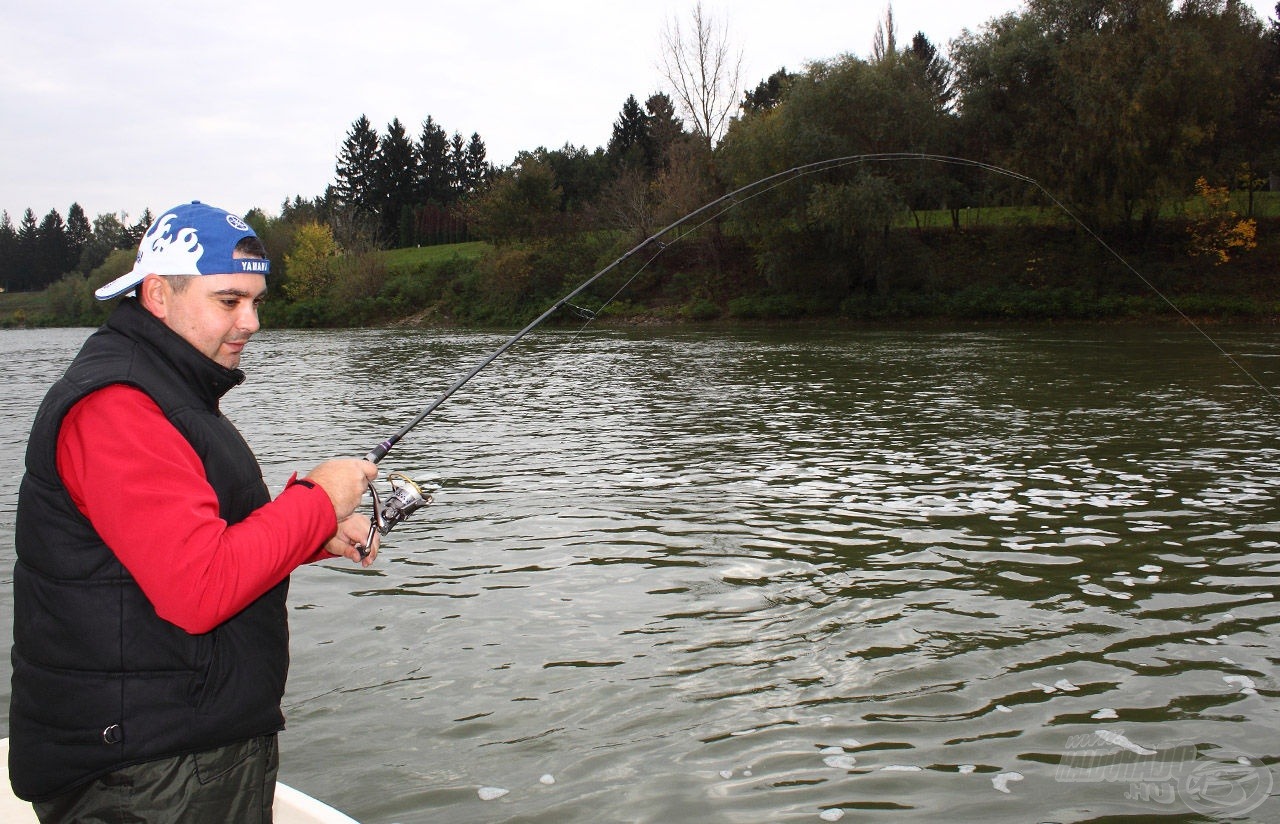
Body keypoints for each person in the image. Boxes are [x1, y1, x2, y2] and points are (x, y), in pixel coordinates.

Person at [8, 201, 380, 823]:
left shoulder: (167, 384)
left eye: (257, 302)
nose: (252, 322)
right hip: (151, 770)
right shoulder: (118, 405)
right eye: (229, 301)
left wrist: (317, 532)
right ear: (158, 294)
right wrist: (318, 496)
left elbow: (180, 538)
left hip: (174, 748)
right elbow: (199, 586)